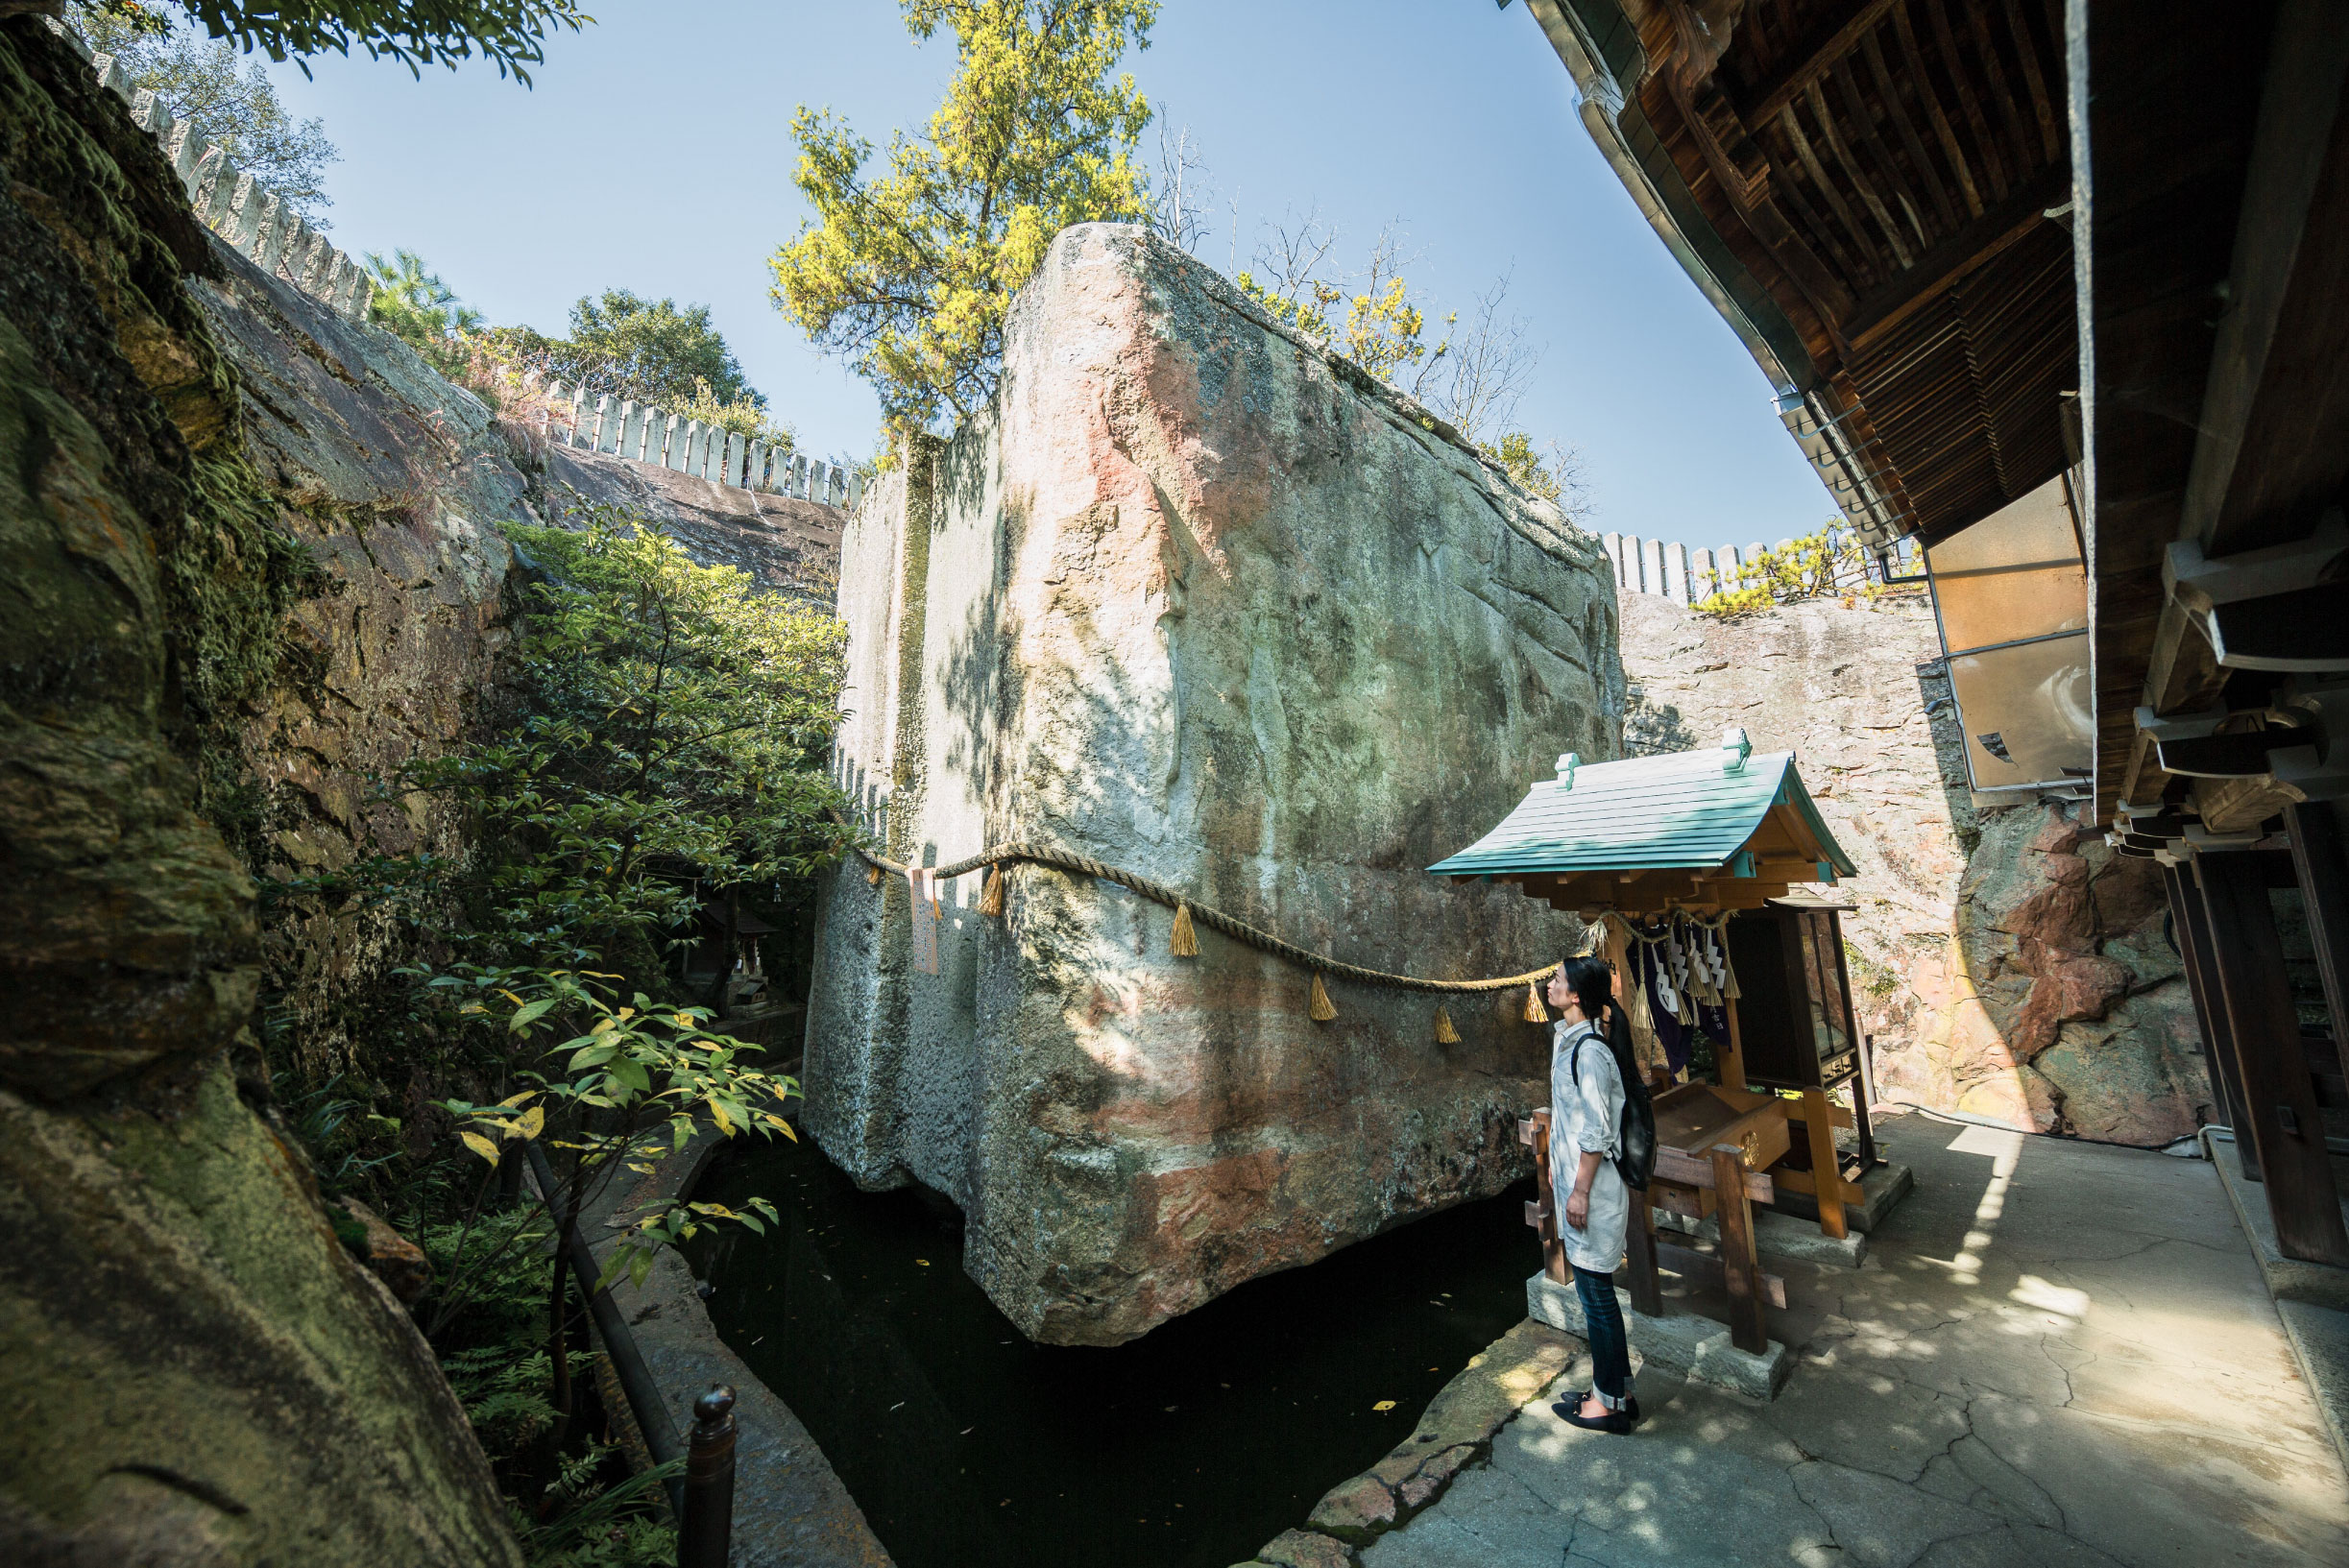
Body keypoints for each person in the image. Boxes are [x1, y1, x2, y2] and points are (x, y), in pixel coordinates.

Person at [1547, 953, 1639, 1434]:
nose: (1550, 984)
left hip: (1595, 1194)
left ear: (1578, 994)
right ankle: (1616, 1390)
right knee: (1595, 1296)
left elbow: (1597, 1131)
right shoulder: (1570, 1042)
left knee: (1597, 1299)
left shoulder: (1592, 1053)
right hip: (1578, 1187)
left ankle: (1606, 1407)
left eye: (1558, 979)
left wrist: (1578, 1192)